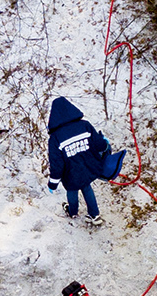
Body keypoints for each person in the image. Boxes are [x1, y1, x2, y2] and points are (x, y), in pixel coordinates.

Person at [46, 96, 116, 228]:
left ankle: (72, 212)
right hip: (88, 168)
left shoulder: (55, 138)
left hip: (70, 173)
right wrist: (105, 142)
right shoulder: (85, 125)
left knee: (72, 190)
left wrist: (53, 183)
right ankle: (95, 216)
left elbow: (57, 164)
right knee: (86, 187)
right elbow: (100, 145)